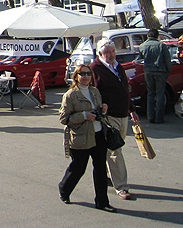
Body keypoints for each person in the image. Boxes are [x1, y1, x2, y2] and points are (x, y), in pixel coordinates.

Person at [58, 64, 115, 212]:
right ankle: (64, 189)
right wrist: (84, 115)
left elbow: (99, 113)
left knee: (101, 169)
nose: (86, 76)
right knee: (78, 168)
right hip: (81, 138)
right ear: (76, 76)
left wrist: (103, 109)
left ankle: (102, 202)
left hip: (98, 135)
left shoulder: (95, 91)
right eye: (82, 74)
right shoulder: (70, 95)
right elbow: (64, 118)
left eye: (88, 74)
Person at [91, 38, 138, 201]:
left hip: (122, 113)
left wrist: (131, 109)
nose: (111, 55)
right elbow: (93, 93)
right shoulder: (94, 69)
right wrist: (100, 109)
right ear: (100, 54)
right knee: (115, 150)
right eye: (107, 52)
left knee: (112, 148)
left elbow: (124, 90)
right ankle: (122, 186)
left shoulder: (118, 67)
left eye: (112, 52)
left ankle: (107, 175)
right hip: (108, 116)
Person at [137, 28, 171, 124]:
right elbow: (167, 60)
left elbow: (139, 59)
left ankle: (150, 116)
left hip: (148, 71)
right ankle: (159, 118)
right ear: (157, 36)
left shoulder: (142, 46)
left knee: (150, 94)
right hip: (160, 71)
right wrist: (168, 69)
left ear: (148, 36)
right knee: (160, 94)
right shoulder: (161, 46)